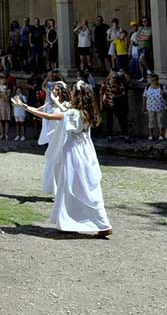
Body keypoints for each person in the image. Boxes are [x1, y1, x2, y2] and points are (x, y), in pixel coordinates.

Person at [17, 82, 113, 238]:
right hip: (85, 153)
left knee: (69, 187)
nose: (71, 93)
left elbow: (50, 116)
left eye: (74, 91)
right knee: (83, 188)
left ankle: (100, 224)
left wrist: (26, 108)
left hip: (73, 154)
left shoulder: (73, 113)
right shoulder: (87, 112)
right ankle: (72, 222)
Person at [143, 75, 167, 141]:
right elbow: (144, 96)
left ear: (157, 80)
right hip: (150, 107)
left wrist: (164, 94)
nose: (153, 81)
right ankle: (151, 135)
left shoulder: (162, 87)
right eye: (152, 80)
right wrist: (144, 107)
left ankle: (161, 135)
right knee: (151, 121)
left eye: (154, 80)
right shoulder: (148, 87)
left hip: (160, 107)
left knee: (160, 121)